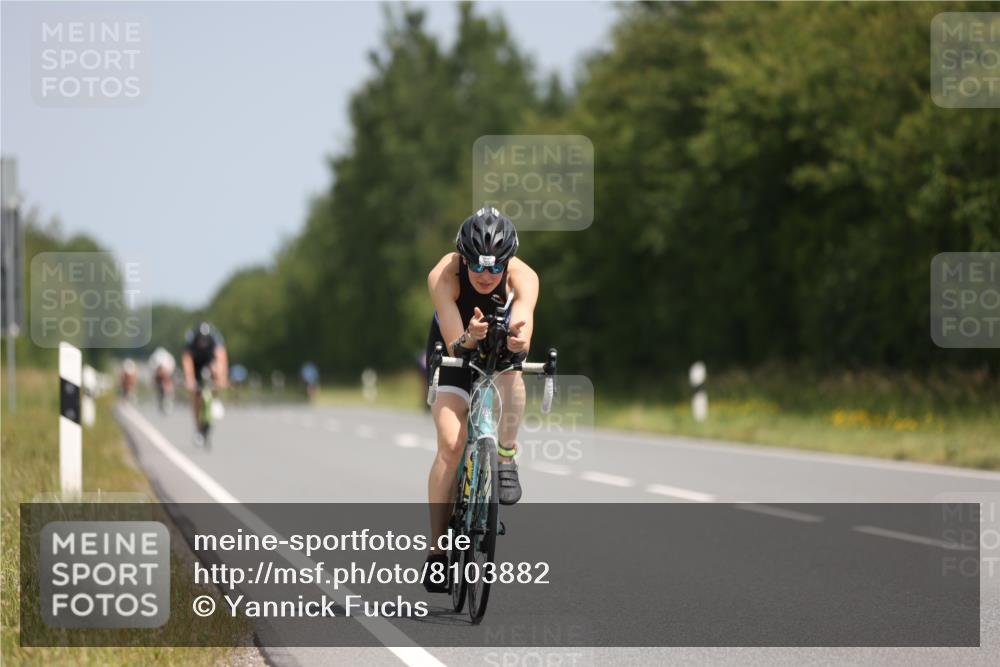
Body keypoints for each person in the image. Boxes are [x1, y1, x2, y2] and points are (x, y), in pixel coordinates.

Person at [422, 207, 539, 592]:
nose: (486, 277)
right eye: (477, 268)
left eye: (495, 269)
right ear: (464, 258)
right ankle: (438, 553)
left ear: (507, 263)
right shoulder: (444, 275)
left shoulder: (525, 276)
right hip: (454, 344)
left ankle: (505, 456)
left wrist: (518, 339)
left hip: (500, 339)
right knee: (451, 447)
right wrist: (470, 335)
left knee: (513, 376)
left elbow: (524, 319)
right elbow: (456, 341)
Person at [181, 321, 229, 445]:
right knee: (196, 396)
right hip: (196, 365)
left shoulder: (215, 341)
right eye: (201, 339)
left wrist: (221, 378)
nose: (203, 342)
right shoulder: (191, 343)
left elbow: (221, 359)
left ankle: (216, 399)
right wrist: (189, 379)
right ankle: (198, 428)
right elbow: (187, 362)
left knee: (216, 370)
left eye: (205, 339)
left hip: (210, 362)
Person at [148, 346, 176, 414]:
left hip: (168, 371)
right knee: (156, 385)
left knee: (169, 385)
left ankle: (169, 399)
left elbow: (170, 373)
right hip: (157, 373)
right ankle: (160, 399)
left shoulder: (169, 361)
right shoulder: (154, 362)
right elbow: (153, 375)